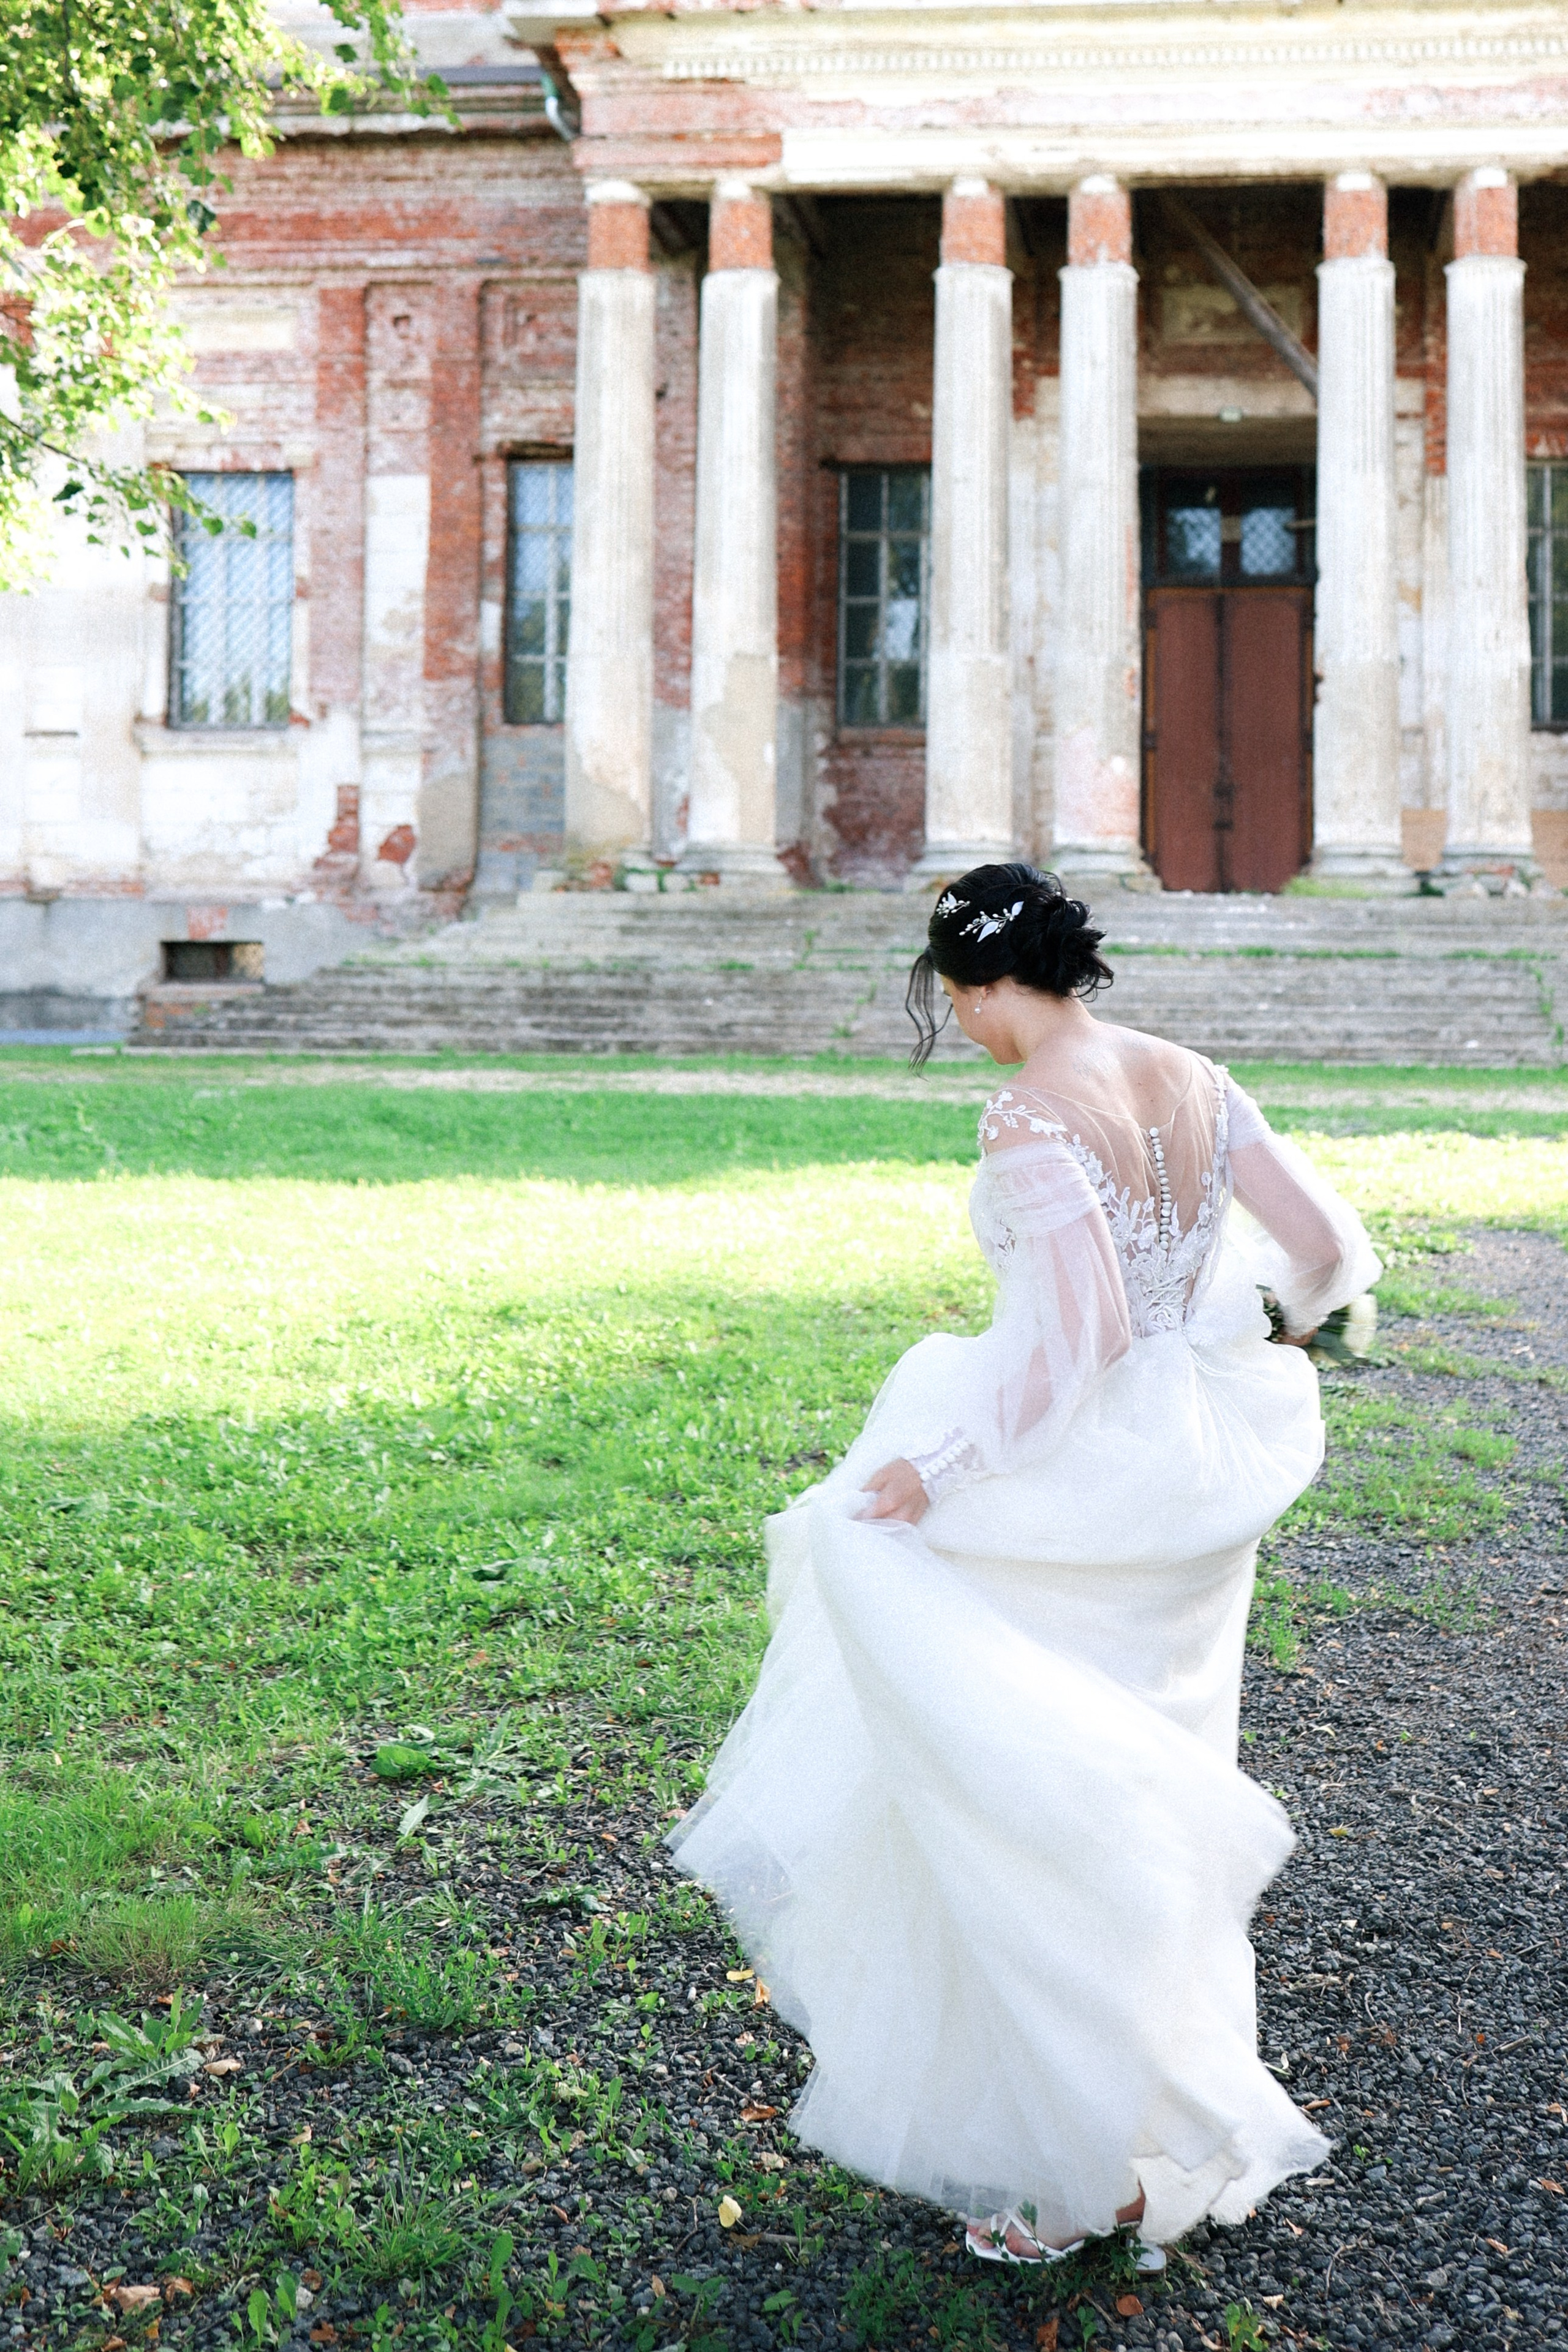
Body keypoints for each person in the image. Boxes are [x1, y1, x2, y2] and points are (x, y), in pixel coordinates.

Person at [668, 862, 1379, 2269]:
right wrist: (1261, 1338)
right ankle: (1134, 2110)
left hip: (1081, 1478)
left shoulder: (1028, 1114)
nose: (964, 1024)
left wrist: (933, 1473)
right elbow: (1332, 1254)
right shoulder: (1191, 1072)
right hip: (1189, 1486)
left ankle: (1080, 2169)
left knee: (1016, 1781)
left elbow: (1076, 1344)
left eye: (955, 998)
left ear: (978, 984)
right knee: (1139, 1766)